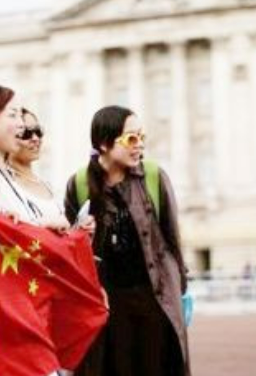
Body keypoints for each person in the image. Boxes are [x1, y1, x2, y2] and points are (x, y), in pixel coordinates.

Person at [64, 106, 191, 376]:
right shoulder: (79, 184)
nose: (139, 145)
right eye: (131, 138)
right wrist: (80, 232)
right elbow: (70, 248)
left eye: (141, 137)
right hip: (108, 308)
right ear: (104, 143)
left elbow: (172, 238)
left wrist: (181, 289)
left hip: (155, 301)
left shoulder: (154, 176)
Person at [9, 108, 70, 231]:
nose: (35, 138)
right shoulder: (5, 185)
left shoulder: (48, 186)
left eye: (38, 131)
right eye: (26, 133)